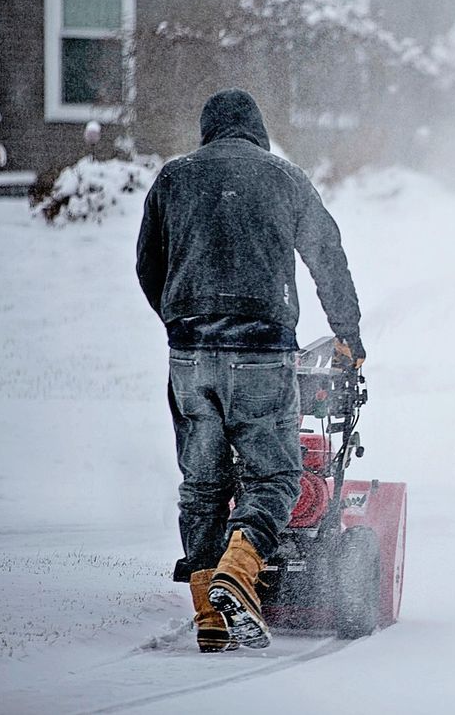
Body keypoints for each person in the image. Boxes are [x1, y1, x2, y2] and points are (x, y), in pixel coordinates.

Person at [136, 88, 365, 652]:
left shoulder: (173, 177)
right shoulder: (283, 177)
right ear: (257, 132)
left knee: (203, 485)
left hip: (190, 352)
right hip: (262, 351)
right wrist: (348, 335)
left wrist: (179, 318)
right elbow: (326, 253)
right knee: (275, 478)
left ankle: (208, 616)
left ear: (207, 131)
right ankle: (237, 575)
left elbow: (147, 264)